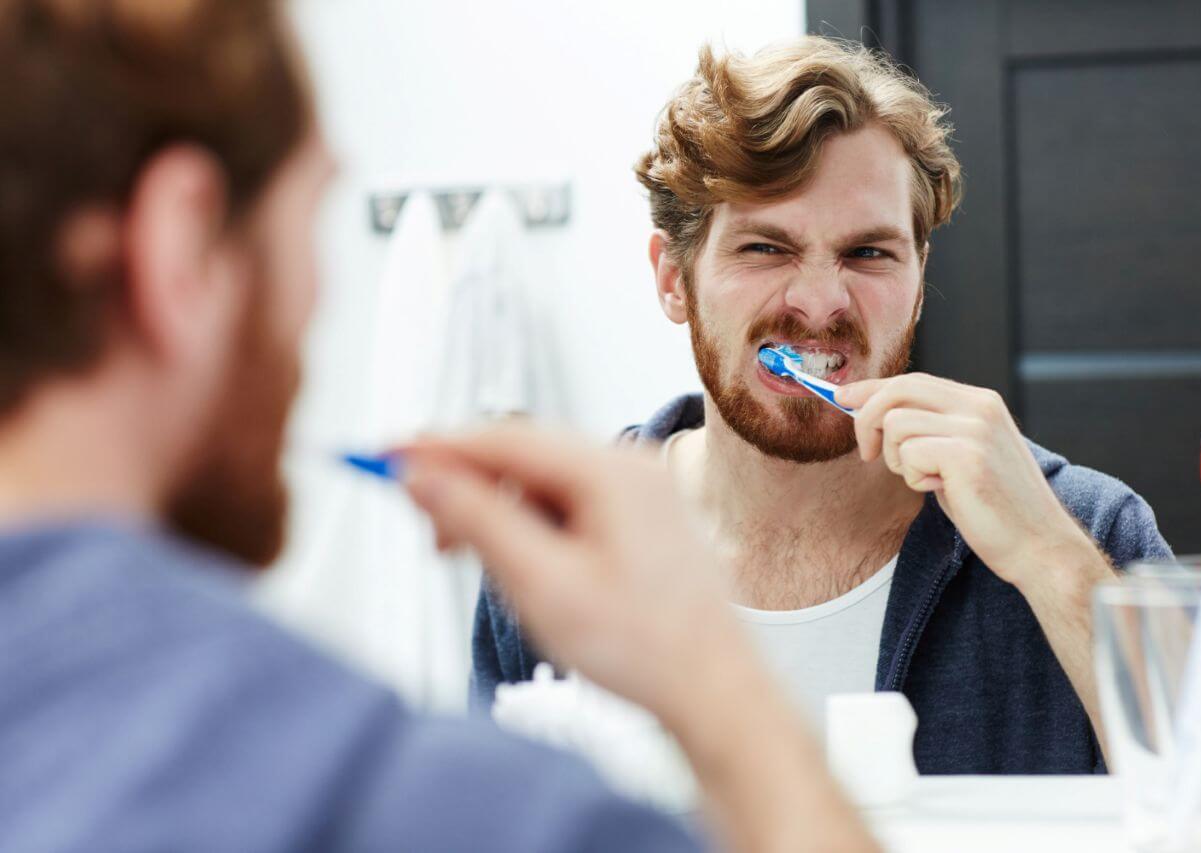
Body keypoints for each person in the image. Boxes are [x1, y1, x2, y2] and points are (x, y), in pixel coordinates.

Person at [0, 2, 877, 850]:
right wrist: (720, 687)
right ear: (180, 245)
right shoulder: (394, 803)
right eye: (309, 221)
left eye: (871, 250)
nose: (317, 300)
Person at [472, 36, 1173, 774]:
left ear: (918, 272)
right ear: (674, 279)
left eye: (869, 253)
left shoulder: (1088, 529)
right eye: (765, 249)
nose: (819, 302)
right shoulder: (549, 545)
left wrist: (1053, 561)